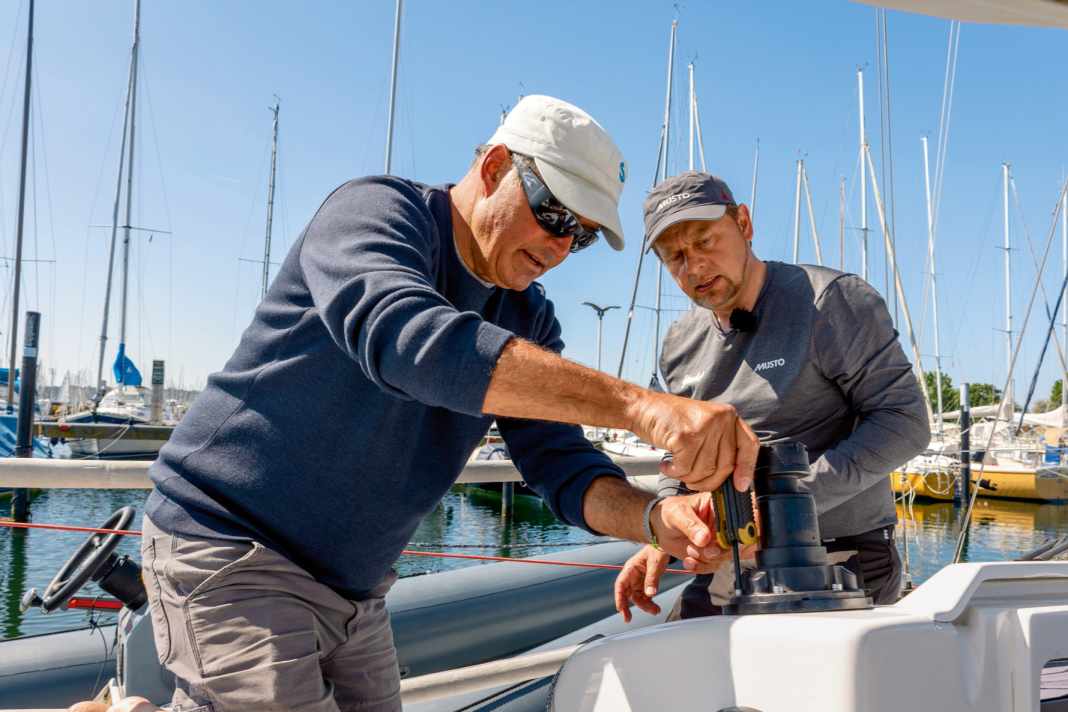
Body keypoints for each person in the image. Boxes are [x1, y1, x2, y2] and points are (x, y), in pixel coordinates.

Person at [140, 98, 759, 712]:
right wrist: (642, 407)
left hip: (355, 590)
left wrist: (657, 520)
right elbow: (408, 340)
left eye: (583, 235)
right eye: (553, 215)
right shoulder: (375, 213)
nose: (561, 247)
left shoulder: (528, 319)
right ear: (493, 168)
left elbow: (559, 462)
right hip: (229, 546)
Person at [614, 171, 930, 623]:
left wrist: (778, 513)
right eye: (675, 257)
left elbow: (905, 423)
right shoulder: (679, 345)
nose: (695, 267)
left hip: (839, 559)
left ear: (743, 223)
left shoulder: (831, 302)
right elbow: (682, 460)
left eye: (705, 241)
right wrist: (661, 536)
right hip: (733, 561)